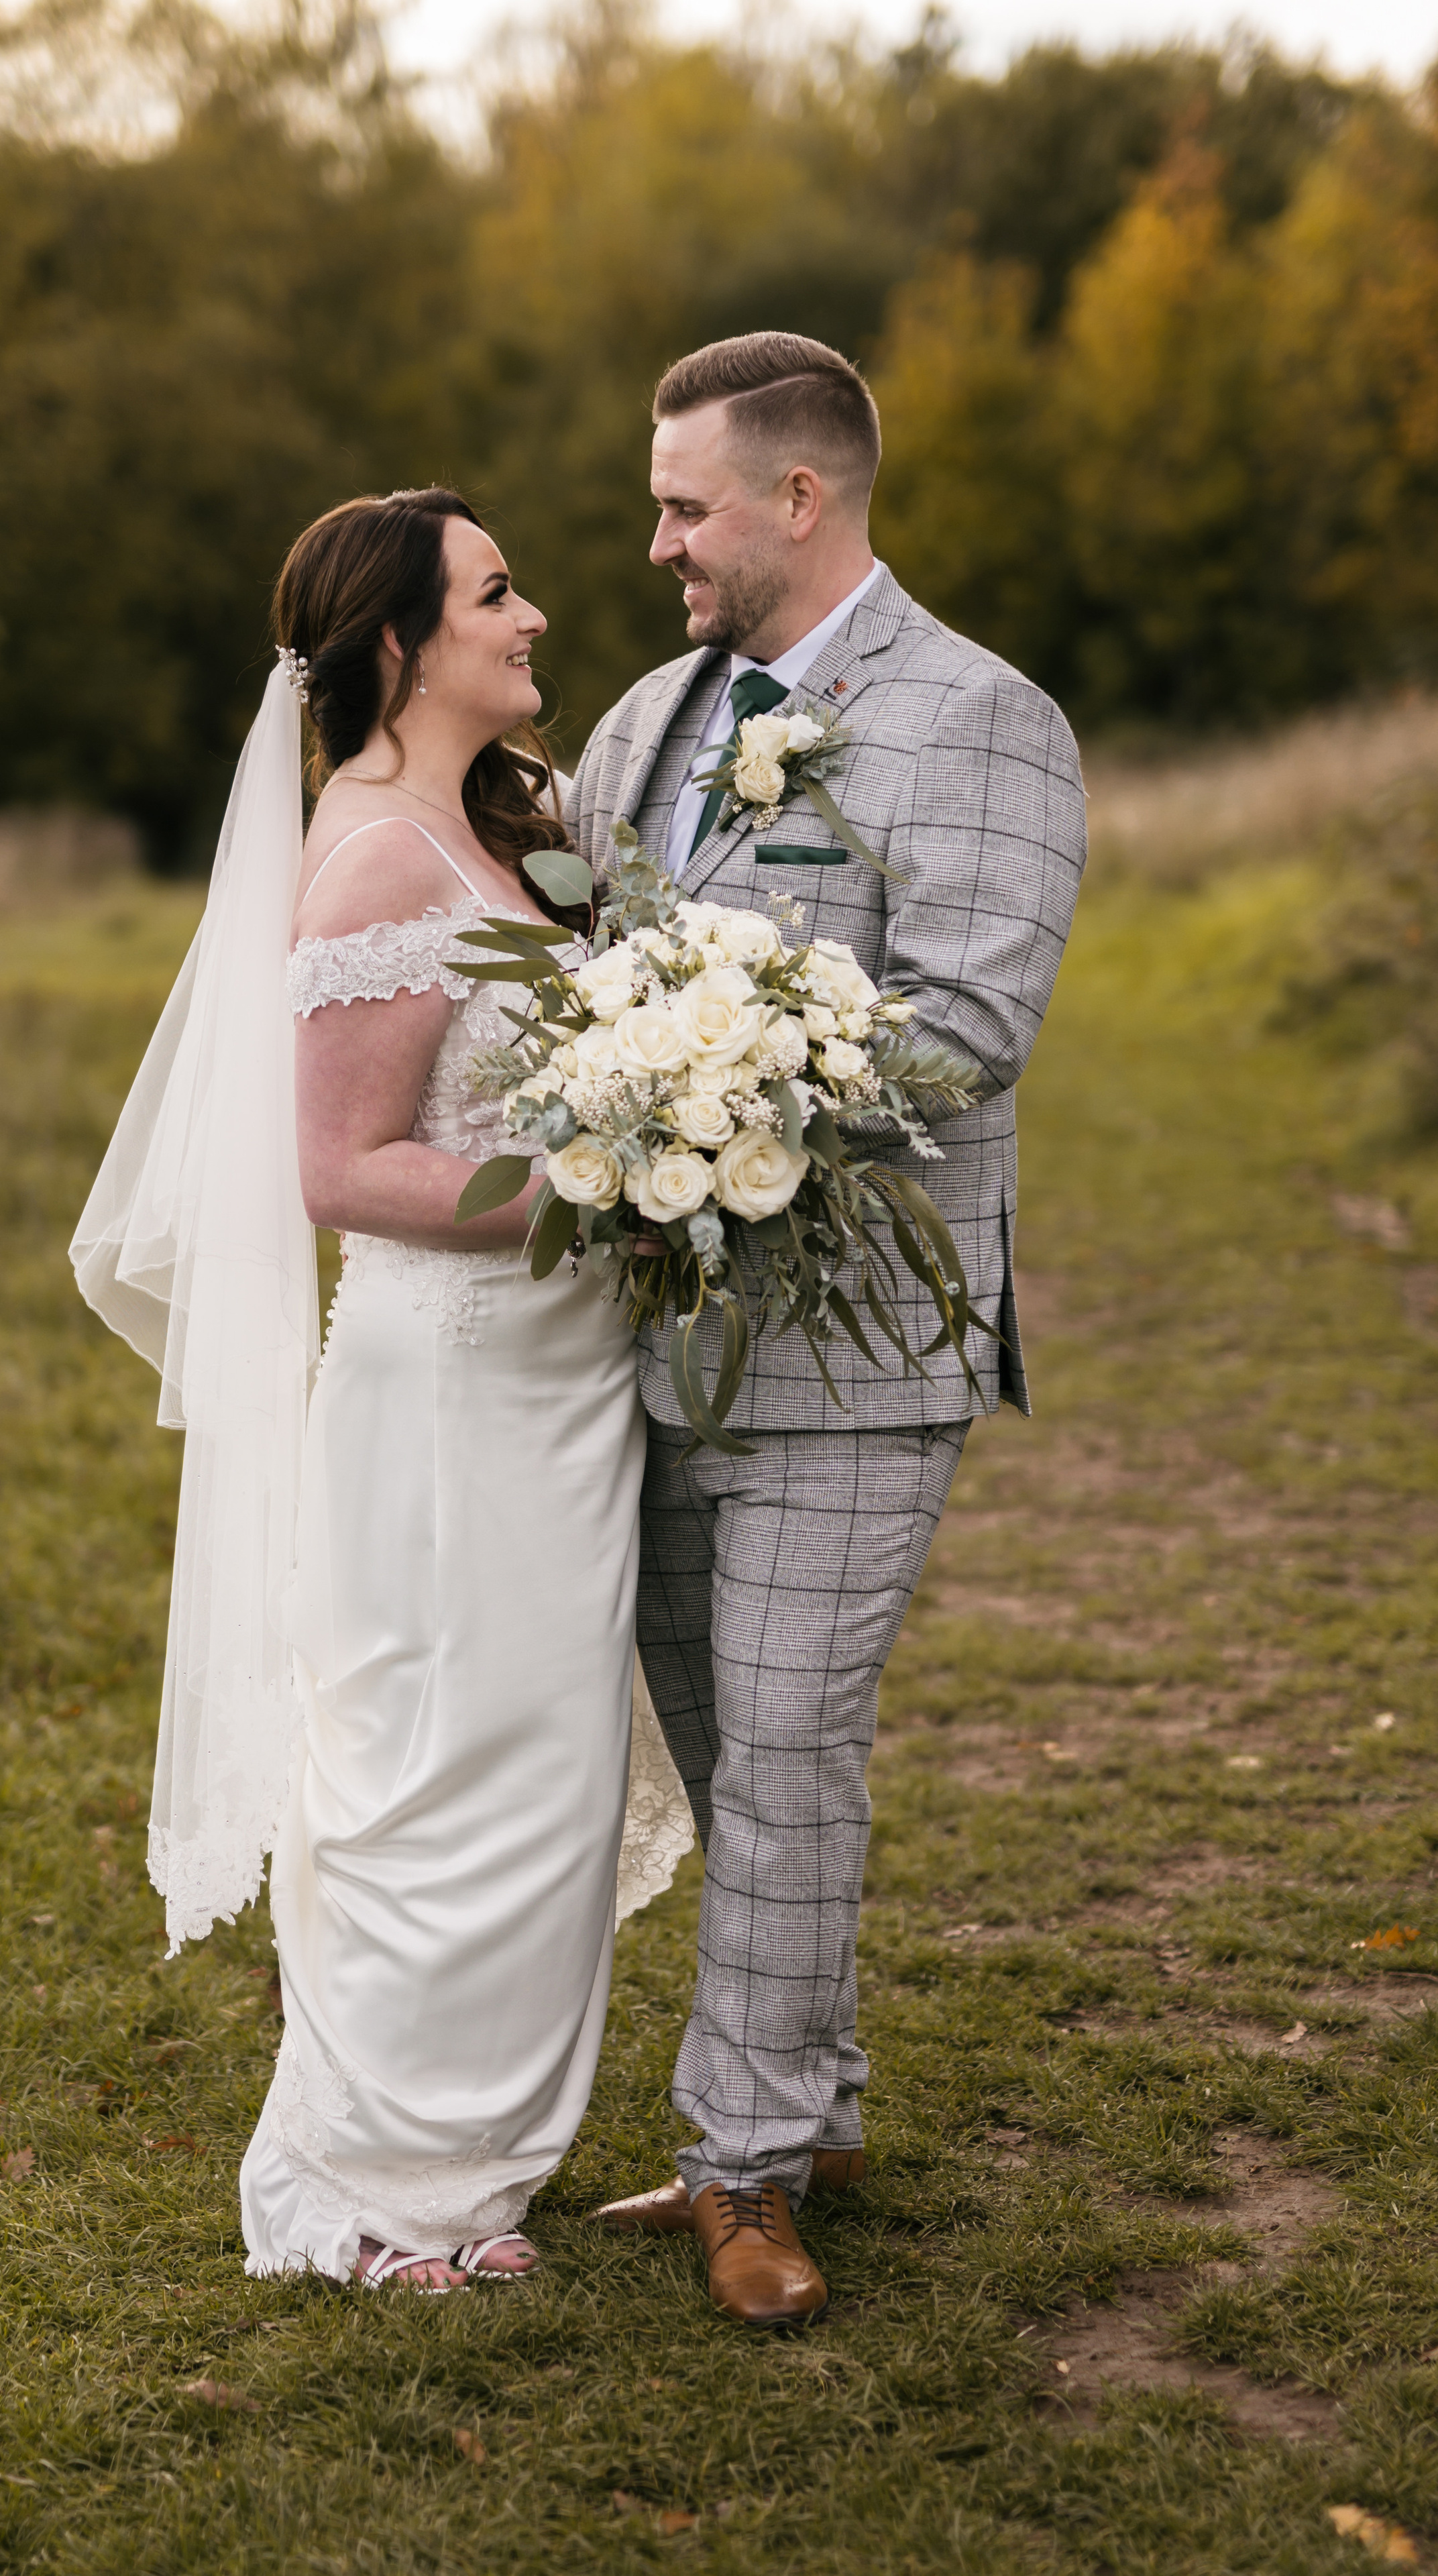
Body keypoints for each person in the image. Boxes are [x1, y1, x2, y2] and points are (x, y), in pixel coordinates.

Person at [72, 488, 689, 2296]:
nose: (539, 615)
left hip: (573, 1390)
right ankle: (353, 2196)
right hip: (454, 1388)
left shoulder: (517, 827)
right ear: (403, 646)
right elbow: (340, 1171)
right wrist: (602, 1194)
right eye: (498, 593)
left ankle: (478, 2177)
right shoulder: (372, 866)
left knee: (550, 1782)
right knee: (430, 1781)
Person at [569, 333, 1088, 2329]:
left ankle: (746, 2170)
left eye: (686, 504)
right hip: (658, 1344)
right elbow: (592, 961)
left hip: (865, 1339)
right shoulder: (645, 718)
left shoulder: (984, 719)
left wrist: (713, 1111)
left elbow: (967, 1023)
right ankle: (824, 2098)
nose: (656, 540)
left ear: (801, 498)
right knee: (728, 1743)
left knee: (787, 1740)